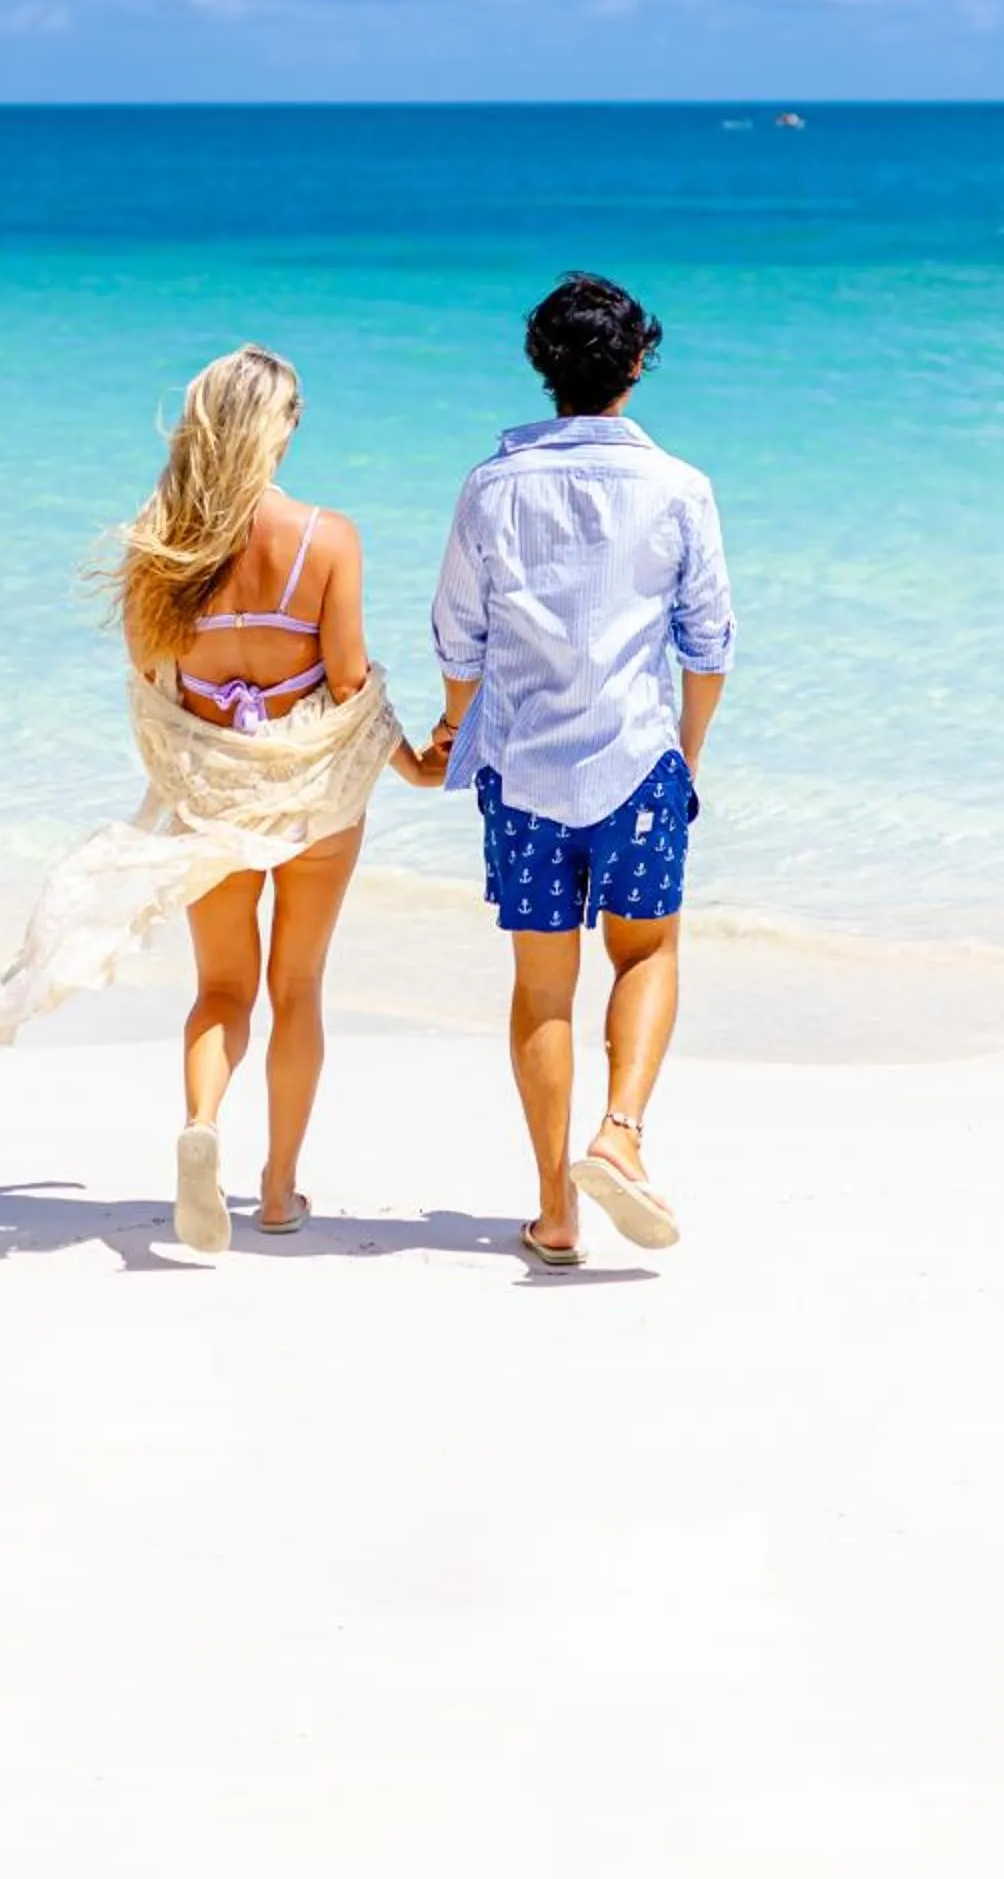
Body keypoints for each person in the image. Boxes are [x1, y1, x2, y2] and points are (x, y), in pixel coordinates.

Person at [0, 344, 442, 1257]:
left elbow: (158, 689)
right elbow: (347, 688)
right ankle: (276, 1192)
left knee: (221, 988)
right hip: (313, 794)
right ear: (281, 427)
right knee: (296, 988)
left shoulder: (162, 549)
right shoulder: (326, 538)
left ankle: (203, 1126)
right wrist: (416, 765)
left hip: (212, 794)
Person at [430, 274, 734, 1267]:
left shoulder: (490, 486)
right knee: (645, 953)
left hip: (522, 772)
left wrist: (447, 732)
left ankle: (555, 1212)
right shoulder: (680, 488)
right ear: (636, 365)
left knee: (542, 989)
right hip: (635, 759)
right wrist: (683, 759)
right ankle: (622, 1132)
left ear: (541, 368)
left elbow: (458, 639)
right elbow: (707, 645)